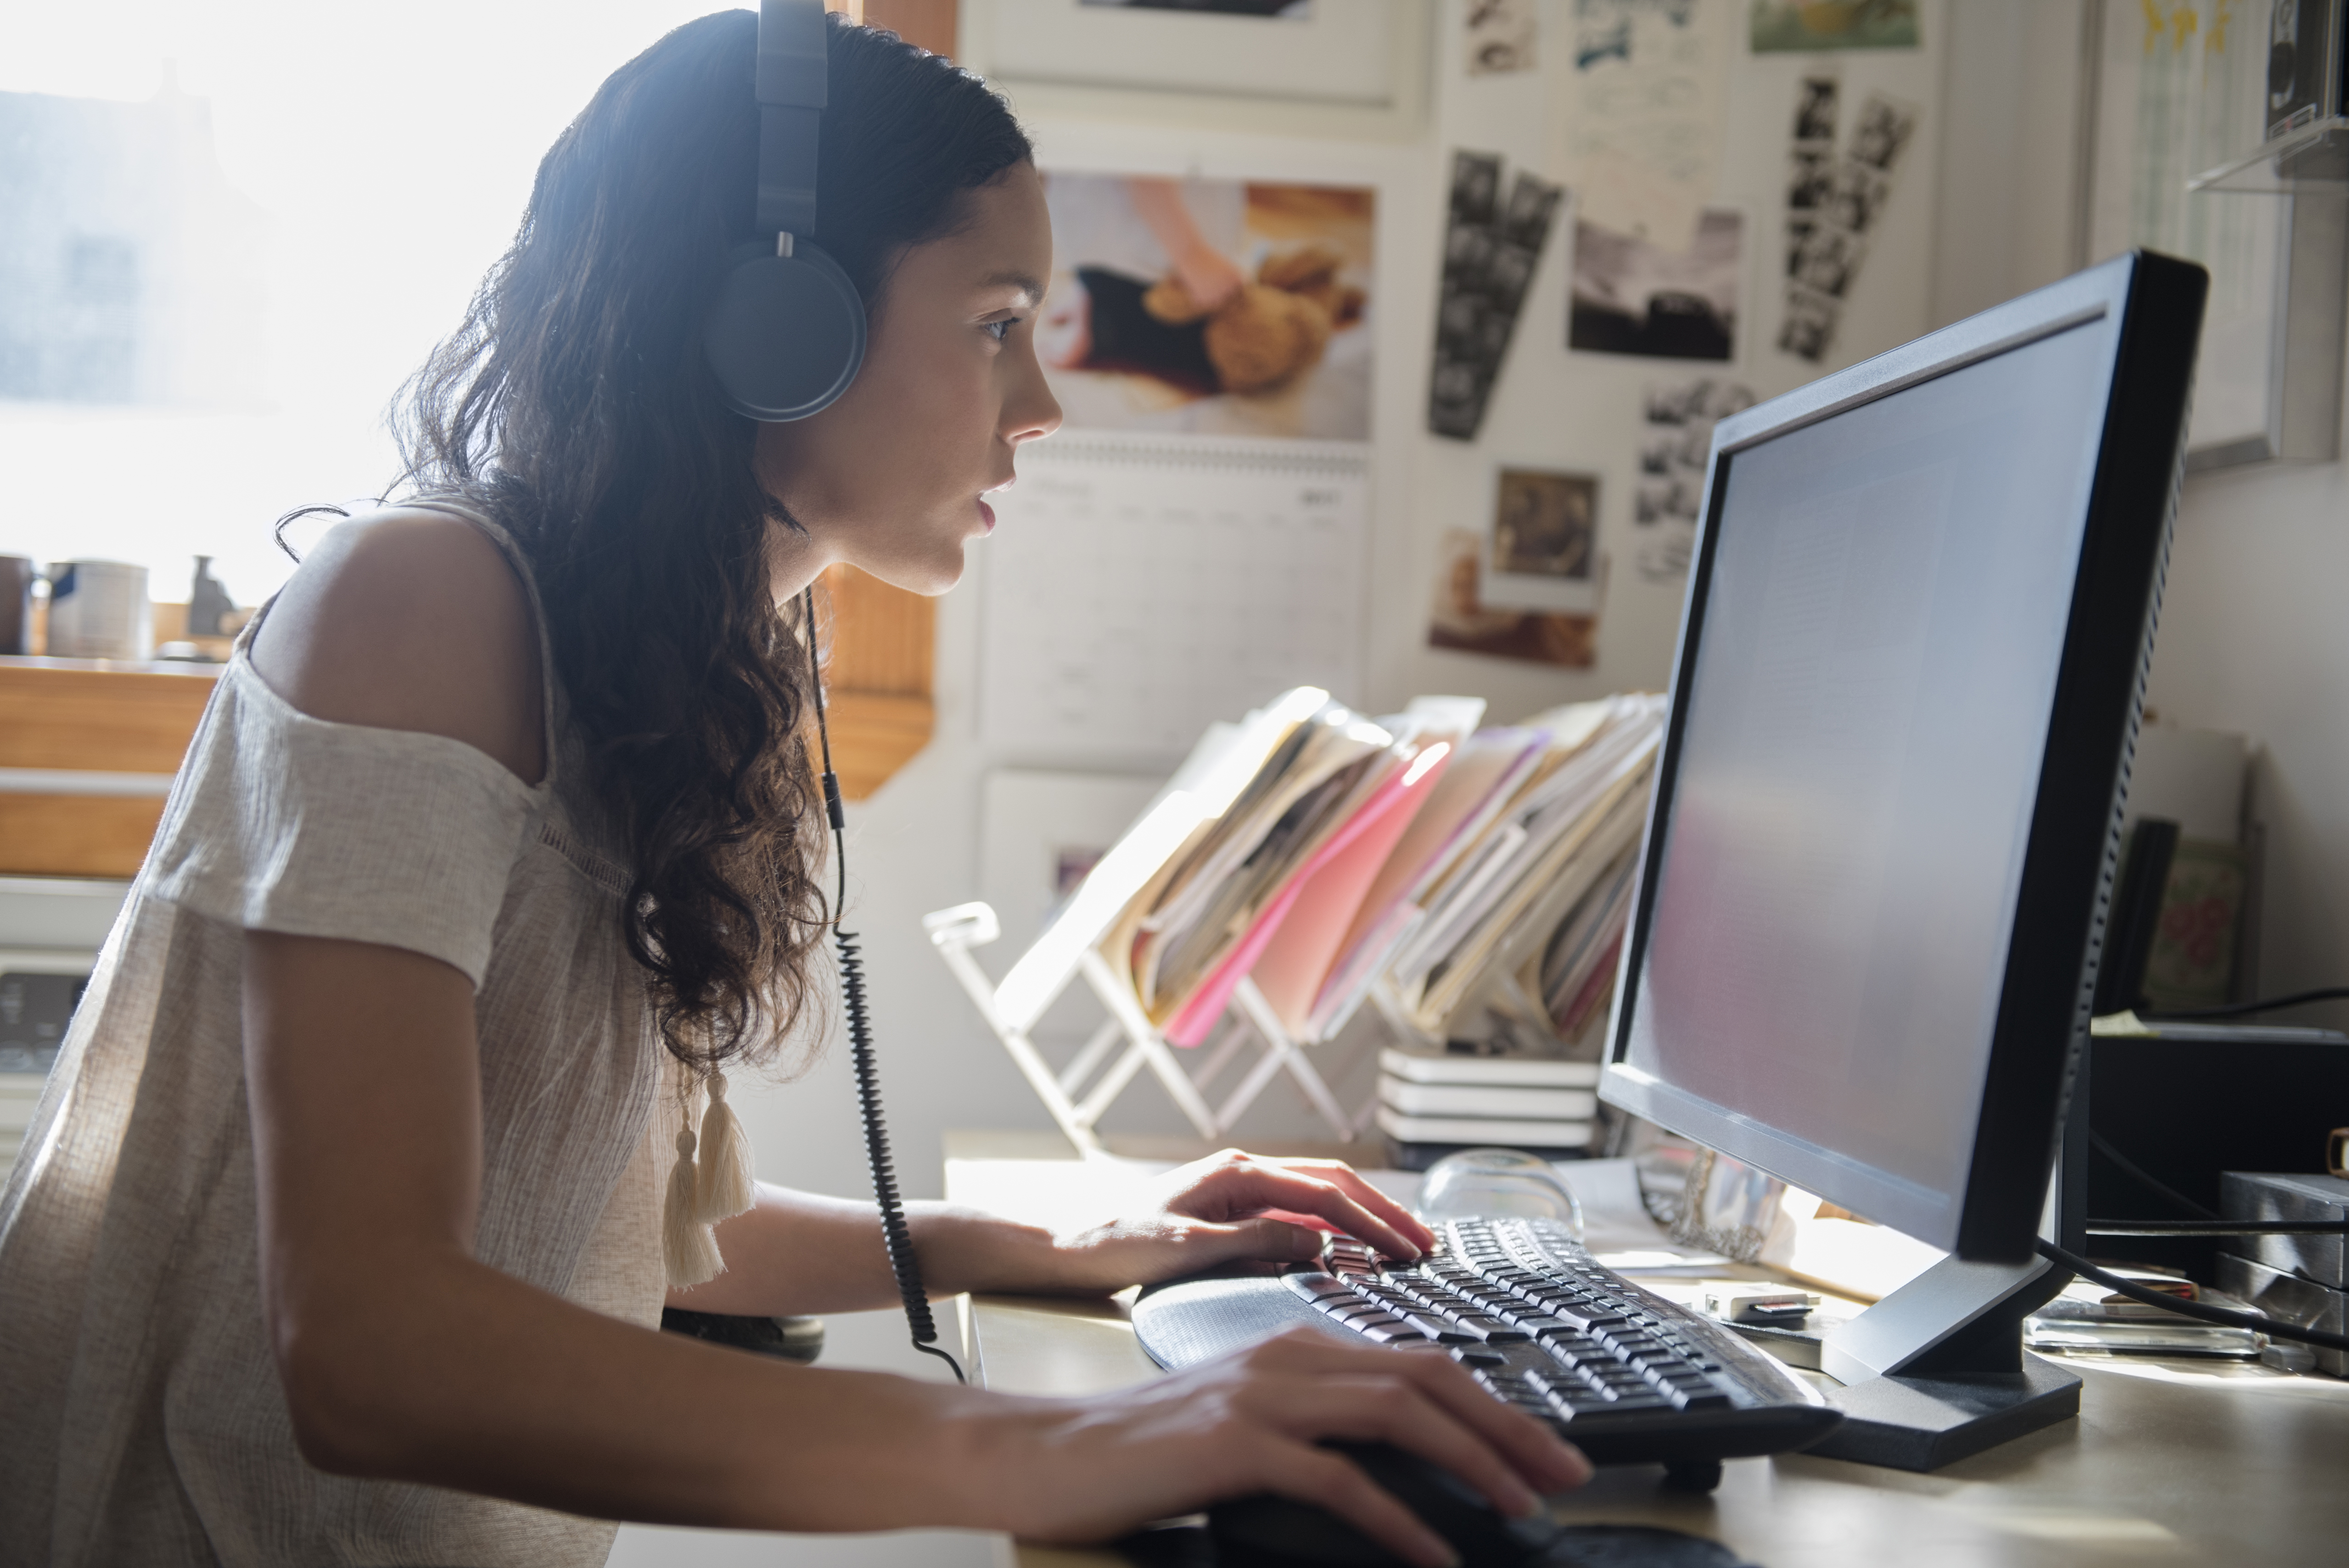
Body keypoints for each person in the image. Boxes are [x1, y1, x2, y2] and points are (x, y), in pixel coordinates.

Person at [0, 12, 1588, 1566]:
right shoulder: (417, 610)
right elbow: (372, 1344)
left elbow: (619, 1228)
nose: (1039, 403)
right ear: (777, 326)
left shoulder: (694, 669)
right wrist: (1062, 1444)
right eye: (992, 321)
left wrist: (1045, 1239)